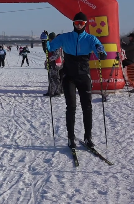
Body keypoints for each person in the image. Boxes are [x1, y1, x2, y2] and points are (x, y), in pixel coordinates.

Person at [48, 12, 107, 149]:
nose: (79, 25)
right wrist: (45, 41)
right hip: (69, 77)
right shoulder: (65, 37)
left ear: (85, 24)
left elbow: (101, 54)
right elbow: (50, 48)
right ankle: (70, 137)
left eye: (81, 23)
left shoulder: (91, 39)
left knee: (87, 107)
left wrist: (100, 51)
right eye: (76, 23)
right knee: (71, 107)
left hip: (84, 77)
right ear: (73, 23)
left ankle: (88, 137)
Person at [44, 32, 63, 97]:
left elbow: (56, 55)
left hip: (55, 64)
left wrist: (50, 59)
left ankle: (57, 92)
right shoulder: (52, 44)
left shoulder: (56, 45)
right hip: (52, 64)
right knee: (51, 78)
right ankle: (50, 91)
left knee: (55, 78)